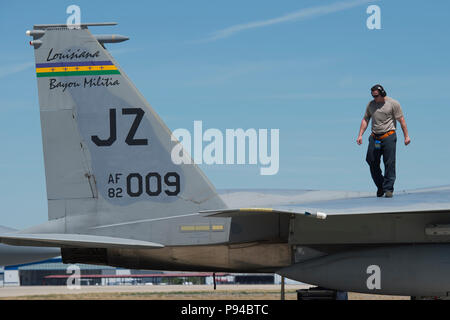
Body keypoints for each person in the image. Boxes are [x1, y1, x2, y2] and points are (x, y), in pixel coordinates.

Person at [356, 84, 411, 198]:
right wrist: (360, 135)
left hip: (388, 136)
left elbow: (401, 120)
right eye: (373, 96)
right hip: (375, 138)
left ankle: (388, 189)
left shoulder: (393, 104)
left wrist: (406, 136)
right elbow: (366, 119)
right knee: (371, 160)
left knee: (389, 163)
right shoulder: (371, 105)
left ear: (382, 94)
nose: (374, 98)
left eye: (376, 96)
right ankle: (380, 185)